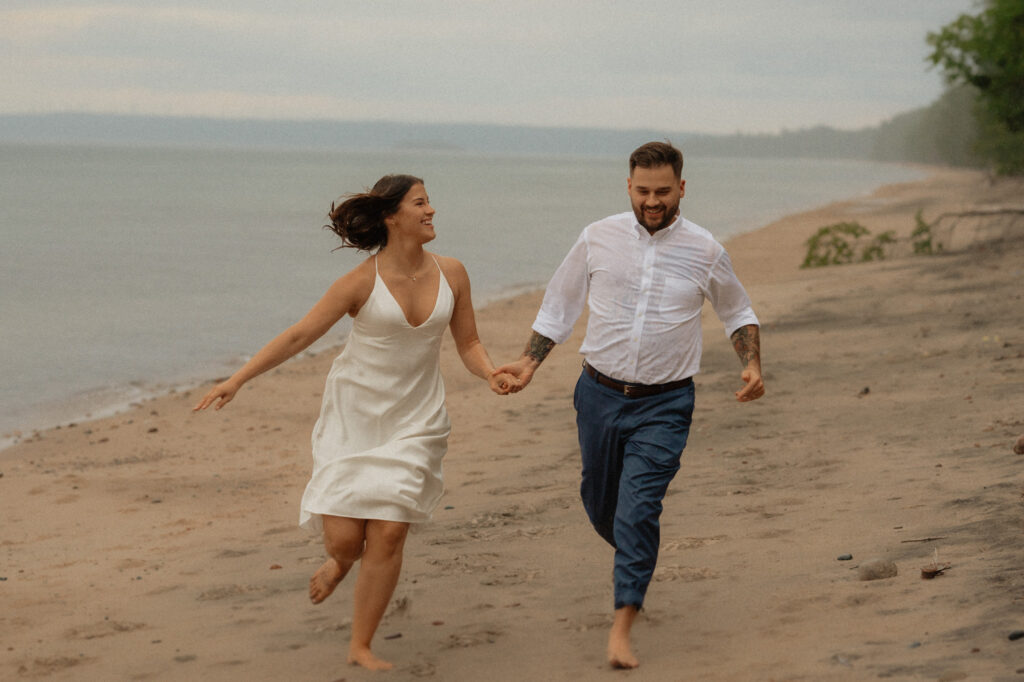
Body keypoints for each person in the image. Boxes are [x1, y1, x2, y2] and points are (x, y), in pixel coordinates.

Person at [193, 174, 515, 671]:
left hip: (417, 419)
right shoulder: (361, 282)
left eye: (429, 203)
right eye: (421, 204)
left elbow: (468, 344)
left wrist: (490, 371)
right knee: (346, 541)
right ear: (392, 216)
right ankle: (341, 562)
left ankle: (360, 644)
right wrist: (238, 379)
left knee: (388, 533)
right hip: (354, 416)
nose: (432, 211)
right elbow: (301, 334)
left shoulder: (453, 273)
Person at [494, 142, 764, 669]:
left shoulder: (706, 249)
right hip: (597, 394)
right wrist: (529, 363)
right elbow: (559, 306)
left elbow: (738, 312)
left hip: (665, 403)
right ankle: (634, 560)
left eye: (663, 191)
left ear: (682, 188)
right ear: (628, 187)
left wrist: (751, 363)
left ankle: (622, 624)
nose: (653, 201)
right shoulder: (597, 238)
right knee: (603, 506)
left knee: (638, 510)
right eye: (643, 191)